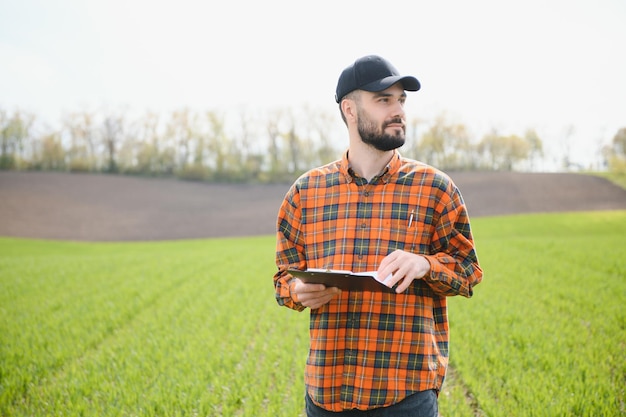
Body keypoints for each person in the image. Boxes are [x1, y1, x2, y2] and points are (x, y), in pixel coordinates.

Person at [273, 55, 483, 416]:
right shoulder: (305, 193)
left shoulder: (436, 188)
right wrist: (296, 290)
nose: (397, 110)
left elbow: (468, 273)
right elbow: (282, 278)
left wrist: (425, 264)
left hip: (406, 397)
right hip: (327, 394)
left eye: (401, 100)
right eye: (383, 100)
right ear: (350, 109)